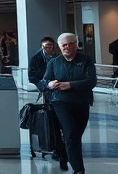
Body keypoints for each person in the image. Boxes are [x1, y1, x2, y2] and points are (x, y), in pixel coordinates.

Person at [40, 32, 97, 174]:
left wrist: (70, 85)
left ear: (76, 45)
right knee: (71, 134)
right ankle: (79, 170)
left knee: (75, 135)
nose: (67, 47)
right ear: (59, 47)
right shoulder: (54, 62)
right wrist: (49, 84)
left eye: (70, 44)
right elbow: (44, 82)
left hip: (82, 103)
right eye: (64, 45)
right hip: (61, 103)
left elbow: (91, 81)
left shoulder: (86, 61)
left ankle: (64, 155)